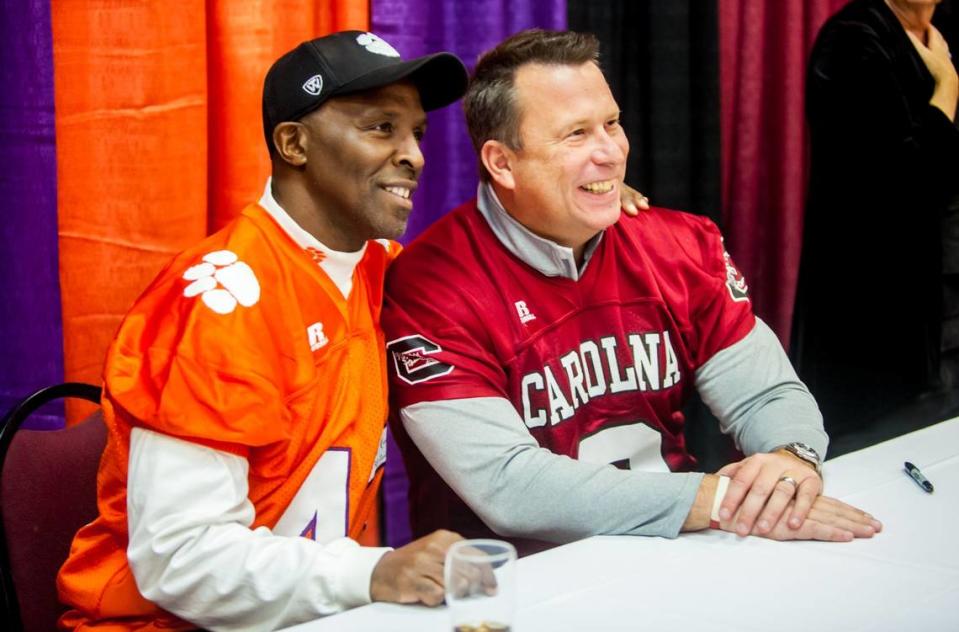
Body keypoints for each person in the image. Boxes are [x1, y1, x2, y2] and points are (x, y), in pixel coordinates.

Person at [383, 29, 882, 555]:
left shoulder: (678, 243)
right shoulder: (431, 285)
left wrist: (790, 459)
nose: (610, 152)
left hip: (678, 557)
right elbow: (510, 485)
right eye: (575, 134)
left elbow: (764, 393)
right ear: (502, 163)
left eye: (612, 123)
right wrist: (723, 500)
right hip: (517, 587)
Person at [56, 31, 472, 631]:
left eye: (417, 133)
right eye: (381, 128)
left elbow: (498, 275)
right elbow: (181, 559)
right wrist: (371, 575)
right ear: (294, 143)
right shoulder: (224, 301)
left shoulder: (376, 270)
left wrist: (592, 214)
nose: (414, 154)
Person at [792, 0, 959, 437]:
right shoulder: (851, 39)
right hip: (878, 310)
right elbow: (907, 181)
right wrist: (947, 86)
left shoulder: (947, 25)